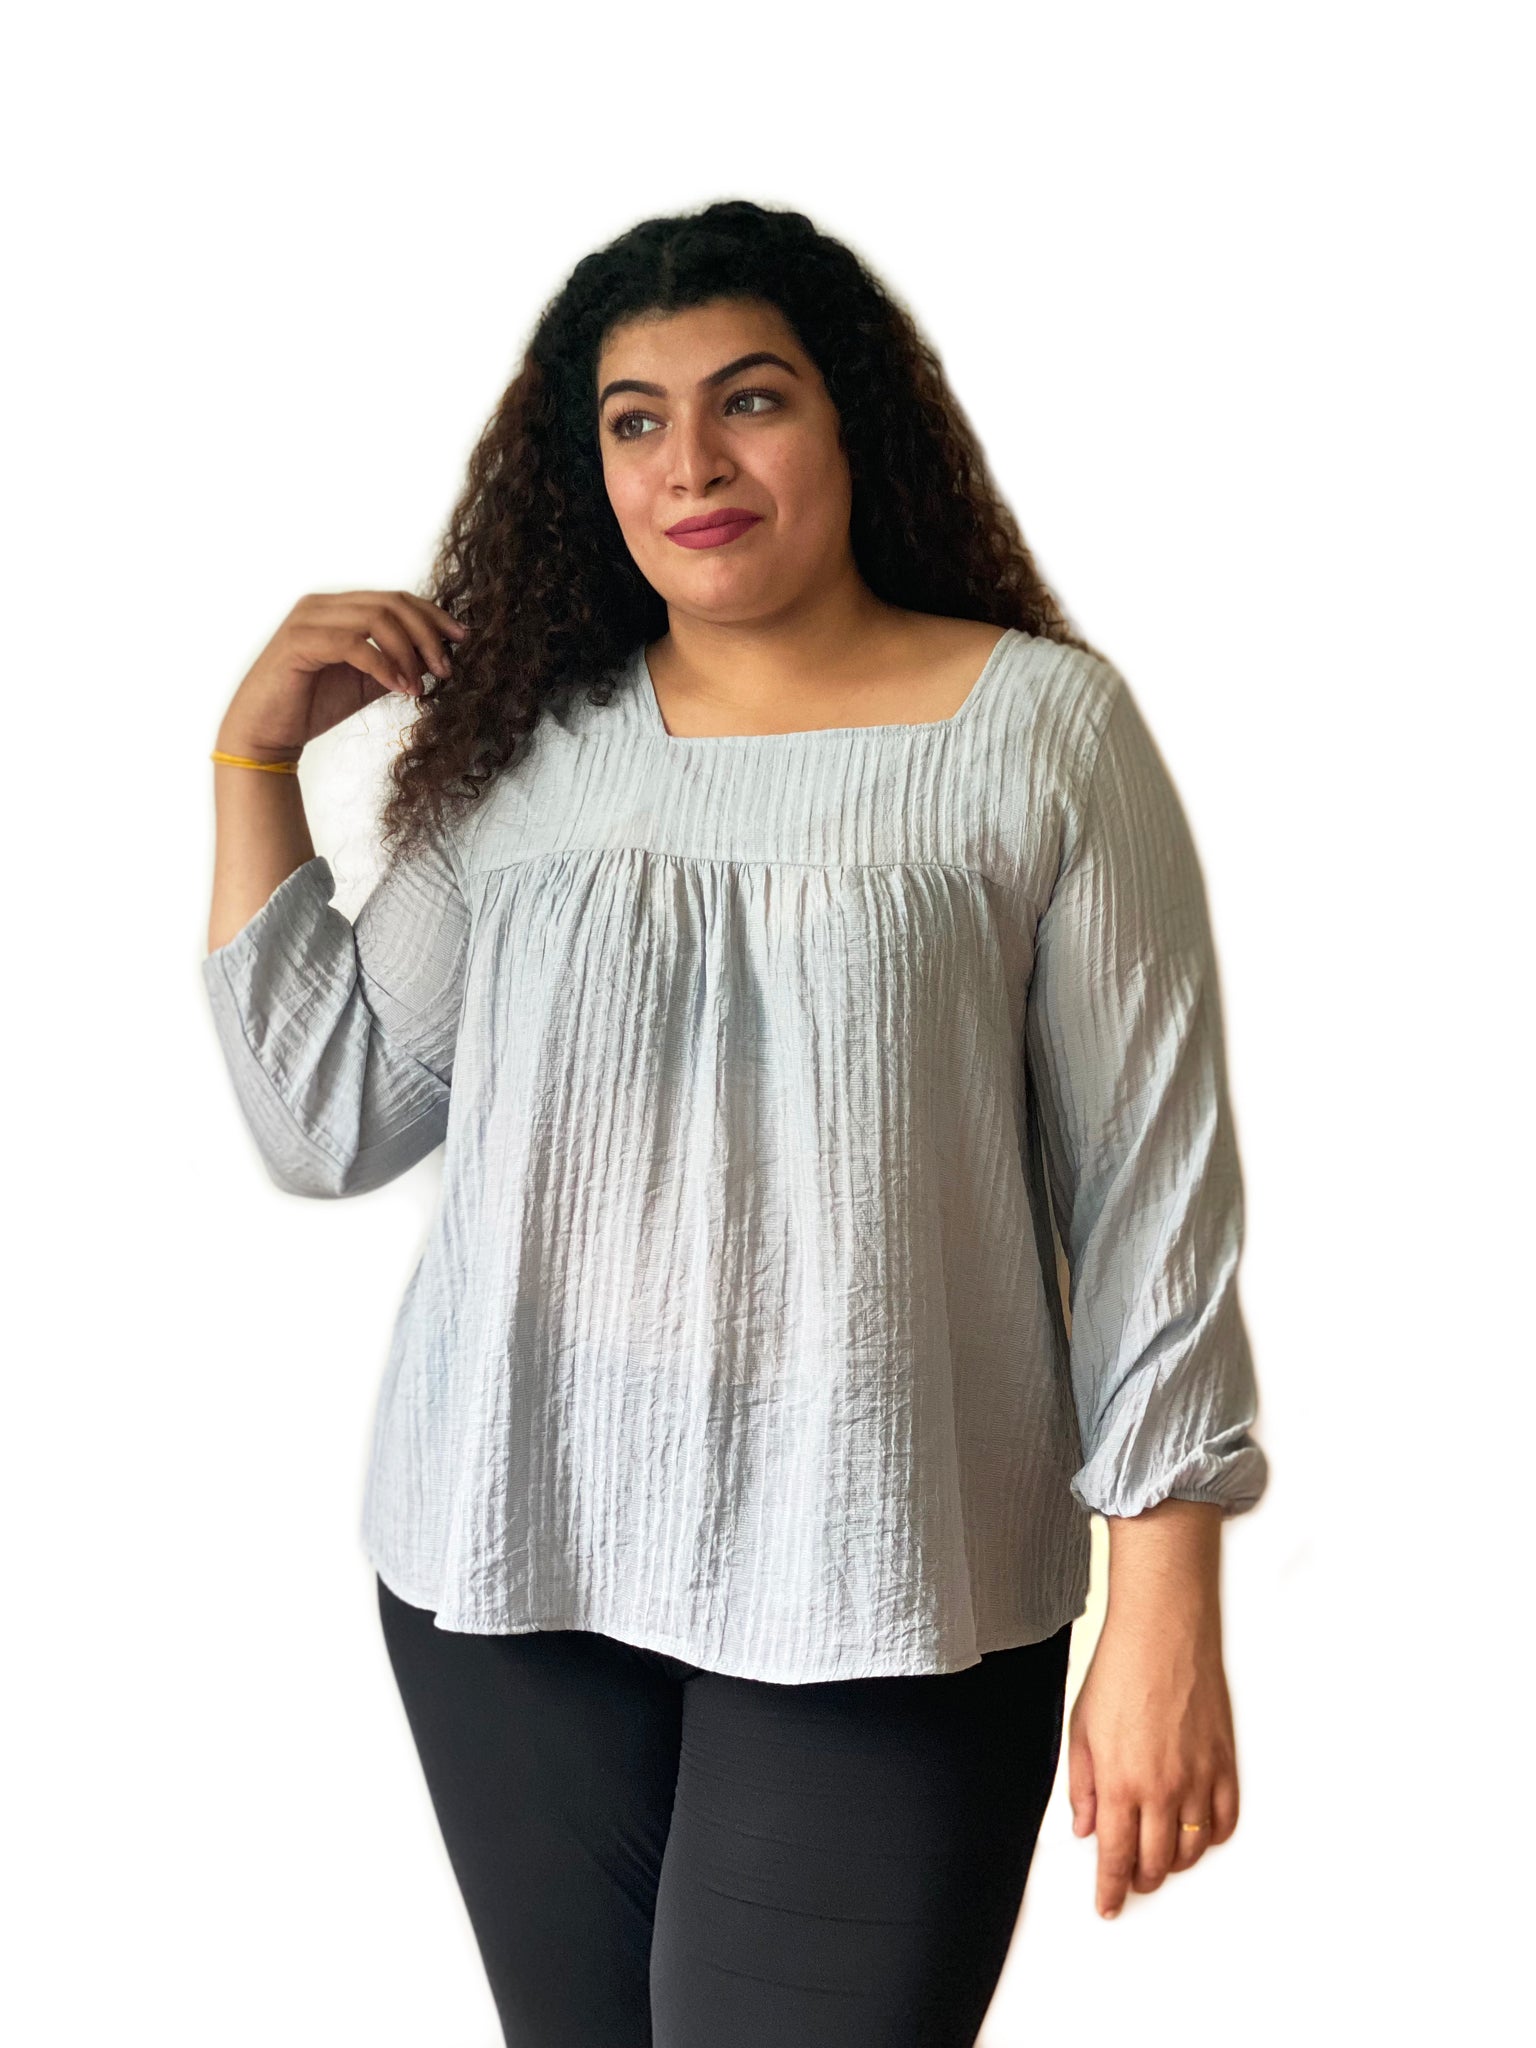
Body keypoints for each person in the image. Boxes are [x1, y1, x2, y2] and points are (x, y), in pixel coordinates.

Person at [201, 199, 1269, 2047]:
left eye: (749, 400)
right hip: (508, 1554)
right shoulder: (537, 747)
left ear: (856, 422)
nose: (689, 462)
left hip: (887, 1568)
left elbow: (1149, 1201)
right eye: (634, 420)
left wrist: (1163, 1607)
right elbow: (329, 1115)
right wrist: (252, 762)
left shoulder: (1041, 734)